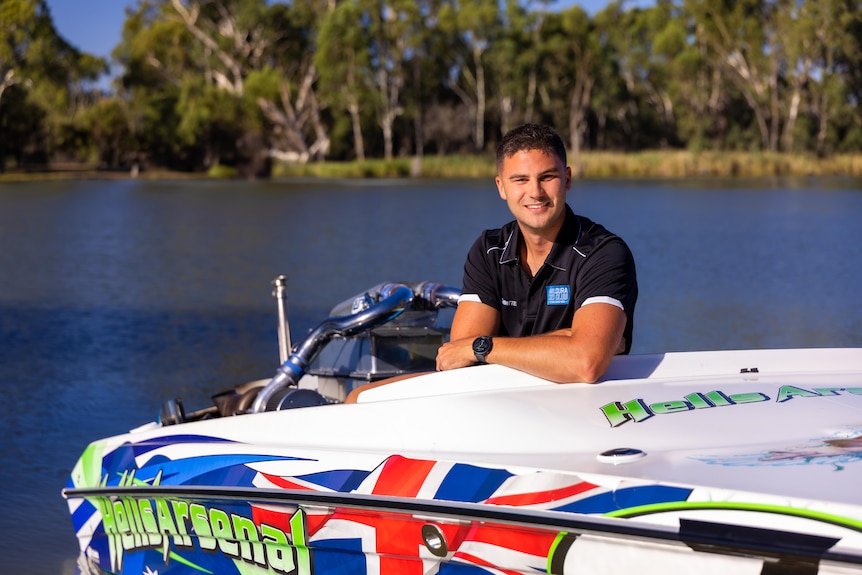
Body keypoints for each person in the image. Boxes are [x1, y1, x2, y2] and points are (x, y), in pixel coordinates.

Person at [435, 123, 637, 383]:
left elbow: (585, 363)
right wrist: (566, 339)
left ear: (567, 179)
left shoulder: (603, 252)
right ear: (501, 187)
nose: (535, 192)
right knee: (362, 397)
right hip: (505, 407)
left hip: (581, 414)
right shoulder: (489, 250)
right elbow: (459, 361)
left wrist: (484, 347)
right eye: (520, 179)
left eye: (547, 177)